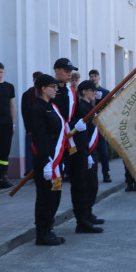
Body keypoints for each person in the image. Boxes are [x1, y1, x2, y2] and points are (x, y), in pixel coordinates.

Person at [52, 57, 102, 234]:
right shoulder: (50, 90)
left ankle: (83, 220)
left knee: (80, 184)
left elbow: (74, 115)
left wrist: (76, 126)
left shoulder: (70, 92)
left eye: (70, 71)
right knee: (52, 188)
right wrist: (72, 126)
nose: (69, 74)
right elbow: (52, 117)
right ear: (56, 70)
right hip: (57, 144)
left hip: (75, 144)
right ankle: (45, 227)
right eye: (66, 71)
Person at [29, 74, 66, 246]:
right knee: (45, 197)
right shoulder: (37, 108)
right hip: (46, 161)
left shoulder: (52, 107)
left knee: (55, 196)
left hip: (56, 161)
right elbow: (39, 137)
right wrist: (46, 161)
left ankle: (49, 229)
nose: (56, 89)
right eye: (53, 86)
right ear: (43, 88)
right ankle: (42, 233)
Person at [73, 79, 104, 218]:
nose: (94, 93)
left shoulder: (90, 106)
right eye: (92, 90)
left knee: (93, 185)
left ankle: (89, 212)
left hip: (91, 150)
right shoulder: (82, 107)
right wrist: (87, 153)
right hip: (85, 150)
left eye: (95, 90)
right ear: (84, 91)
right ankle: (85, 215)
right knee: (87, 185)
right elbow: (83, 133)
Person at [89, 69, 113, 182]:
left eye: (95, 76)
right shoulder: (86, 91)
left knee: (104, 151)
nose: (93, 78)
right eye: (91, 76)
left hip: (102, 124)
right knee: (91, 150)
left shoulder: (105, 92)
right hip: (91, 125)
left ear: (99, 78)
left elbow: (110, 107)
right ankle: (91, 174)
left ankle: (106, 173)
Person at [20, 71, 44, 176]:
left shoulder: (43, 93)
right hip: (32, 127)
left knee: (37, 150)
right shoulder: (27, 94)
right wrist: (28, 128)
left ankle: (34, 171)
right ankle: (30, 171)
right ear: (33, 80)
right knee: (31, 150)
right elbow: (24, 112)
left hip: (38, 127)